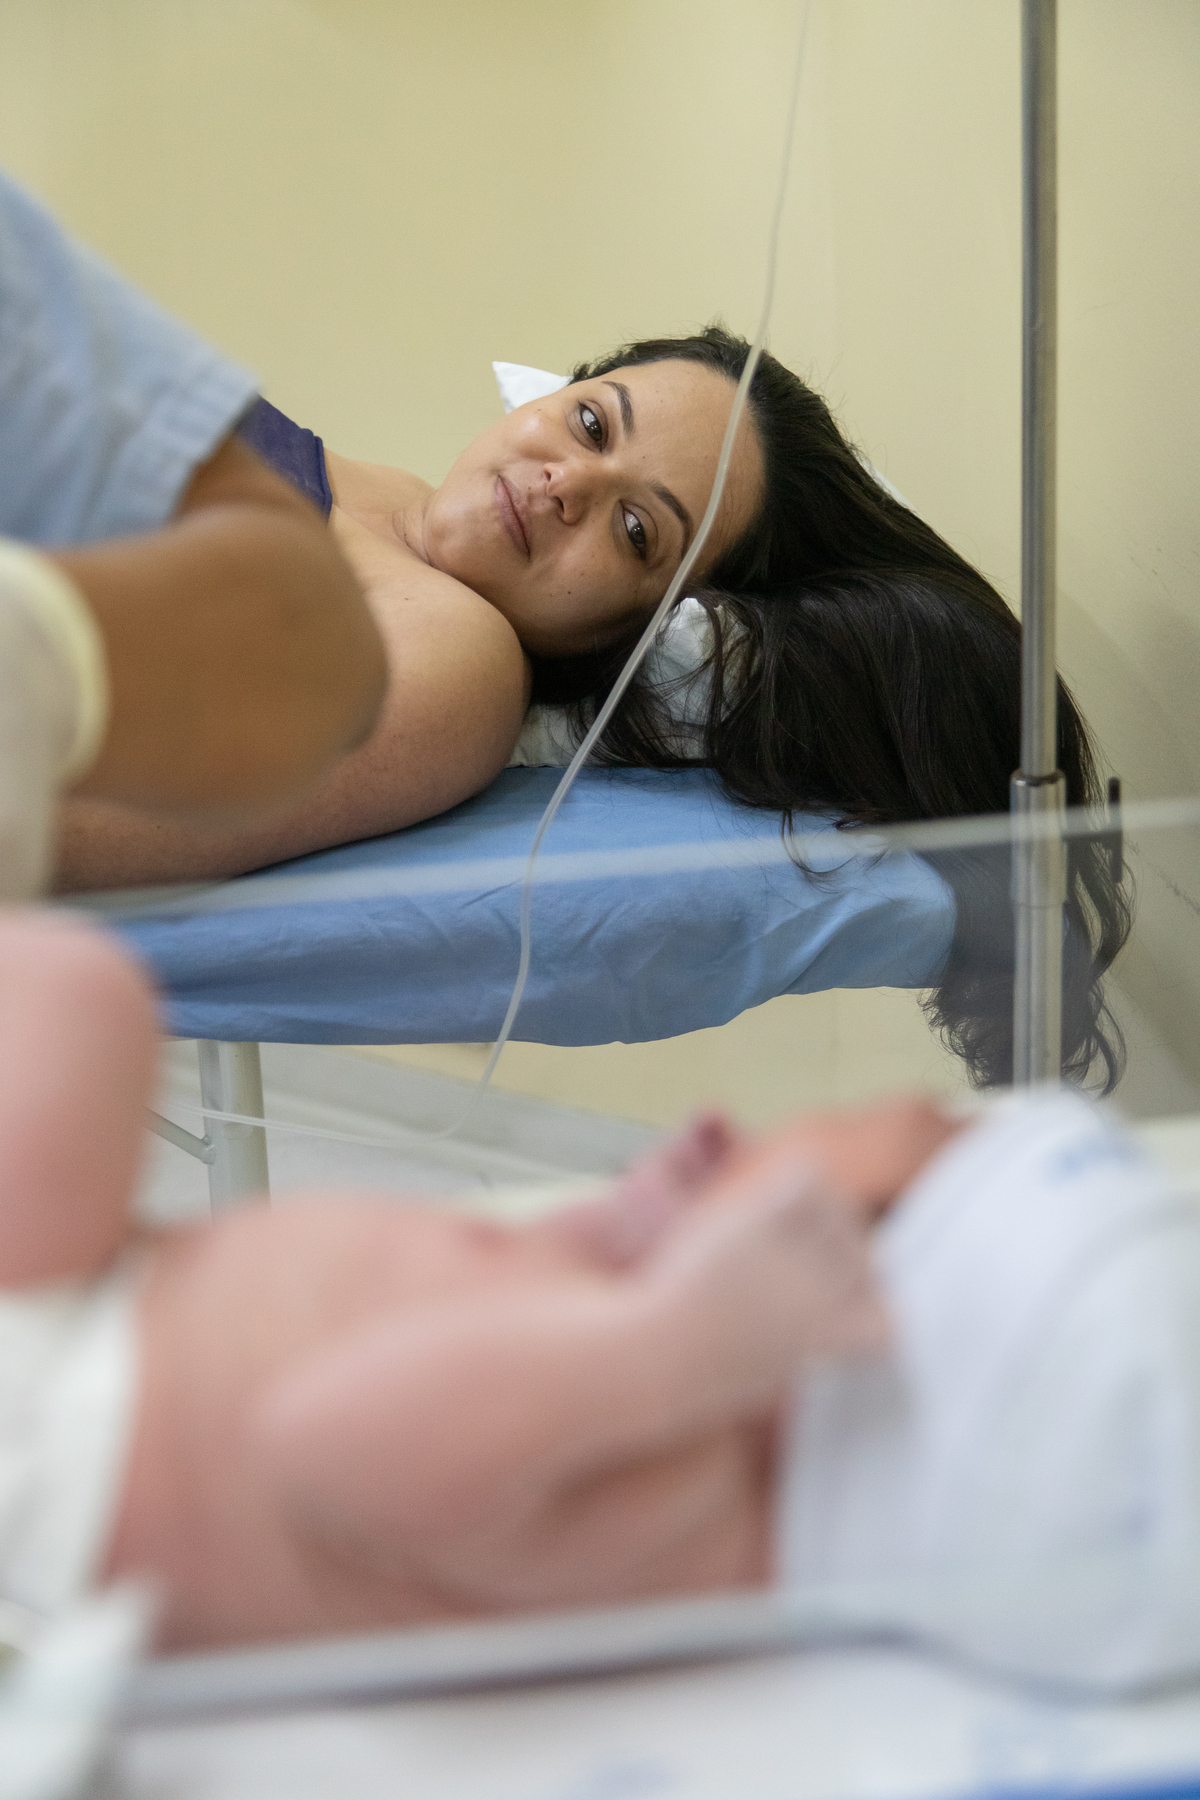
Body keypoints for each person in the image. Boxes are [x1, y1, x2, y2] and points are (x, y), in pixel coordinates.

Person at [6, 912, 1194, 1693]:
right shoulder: (654, 1408)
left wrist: (674, 1344)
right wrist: (631, 1263)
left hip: (62, 1422)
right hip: (96, 1325)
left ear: (839, 1293)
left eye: (840, 1131)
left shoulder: (680, 1491)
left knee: (74, 987)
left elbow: (321, 1440)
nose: (734, 1132)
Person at [54, 327, 1128, 1091]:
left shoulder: (455, 666)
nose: (567, 481)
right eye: (590, 420)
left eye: (636, 532)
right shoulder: (382, 495)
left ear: (641, 632)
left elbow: (54, 836)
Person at [0, 169, 387, 877]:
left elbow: (297, 687)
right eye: (590, 424)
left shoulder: (464, 644)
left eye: (614, 533)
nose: (564, 487)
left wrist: (33, 653)